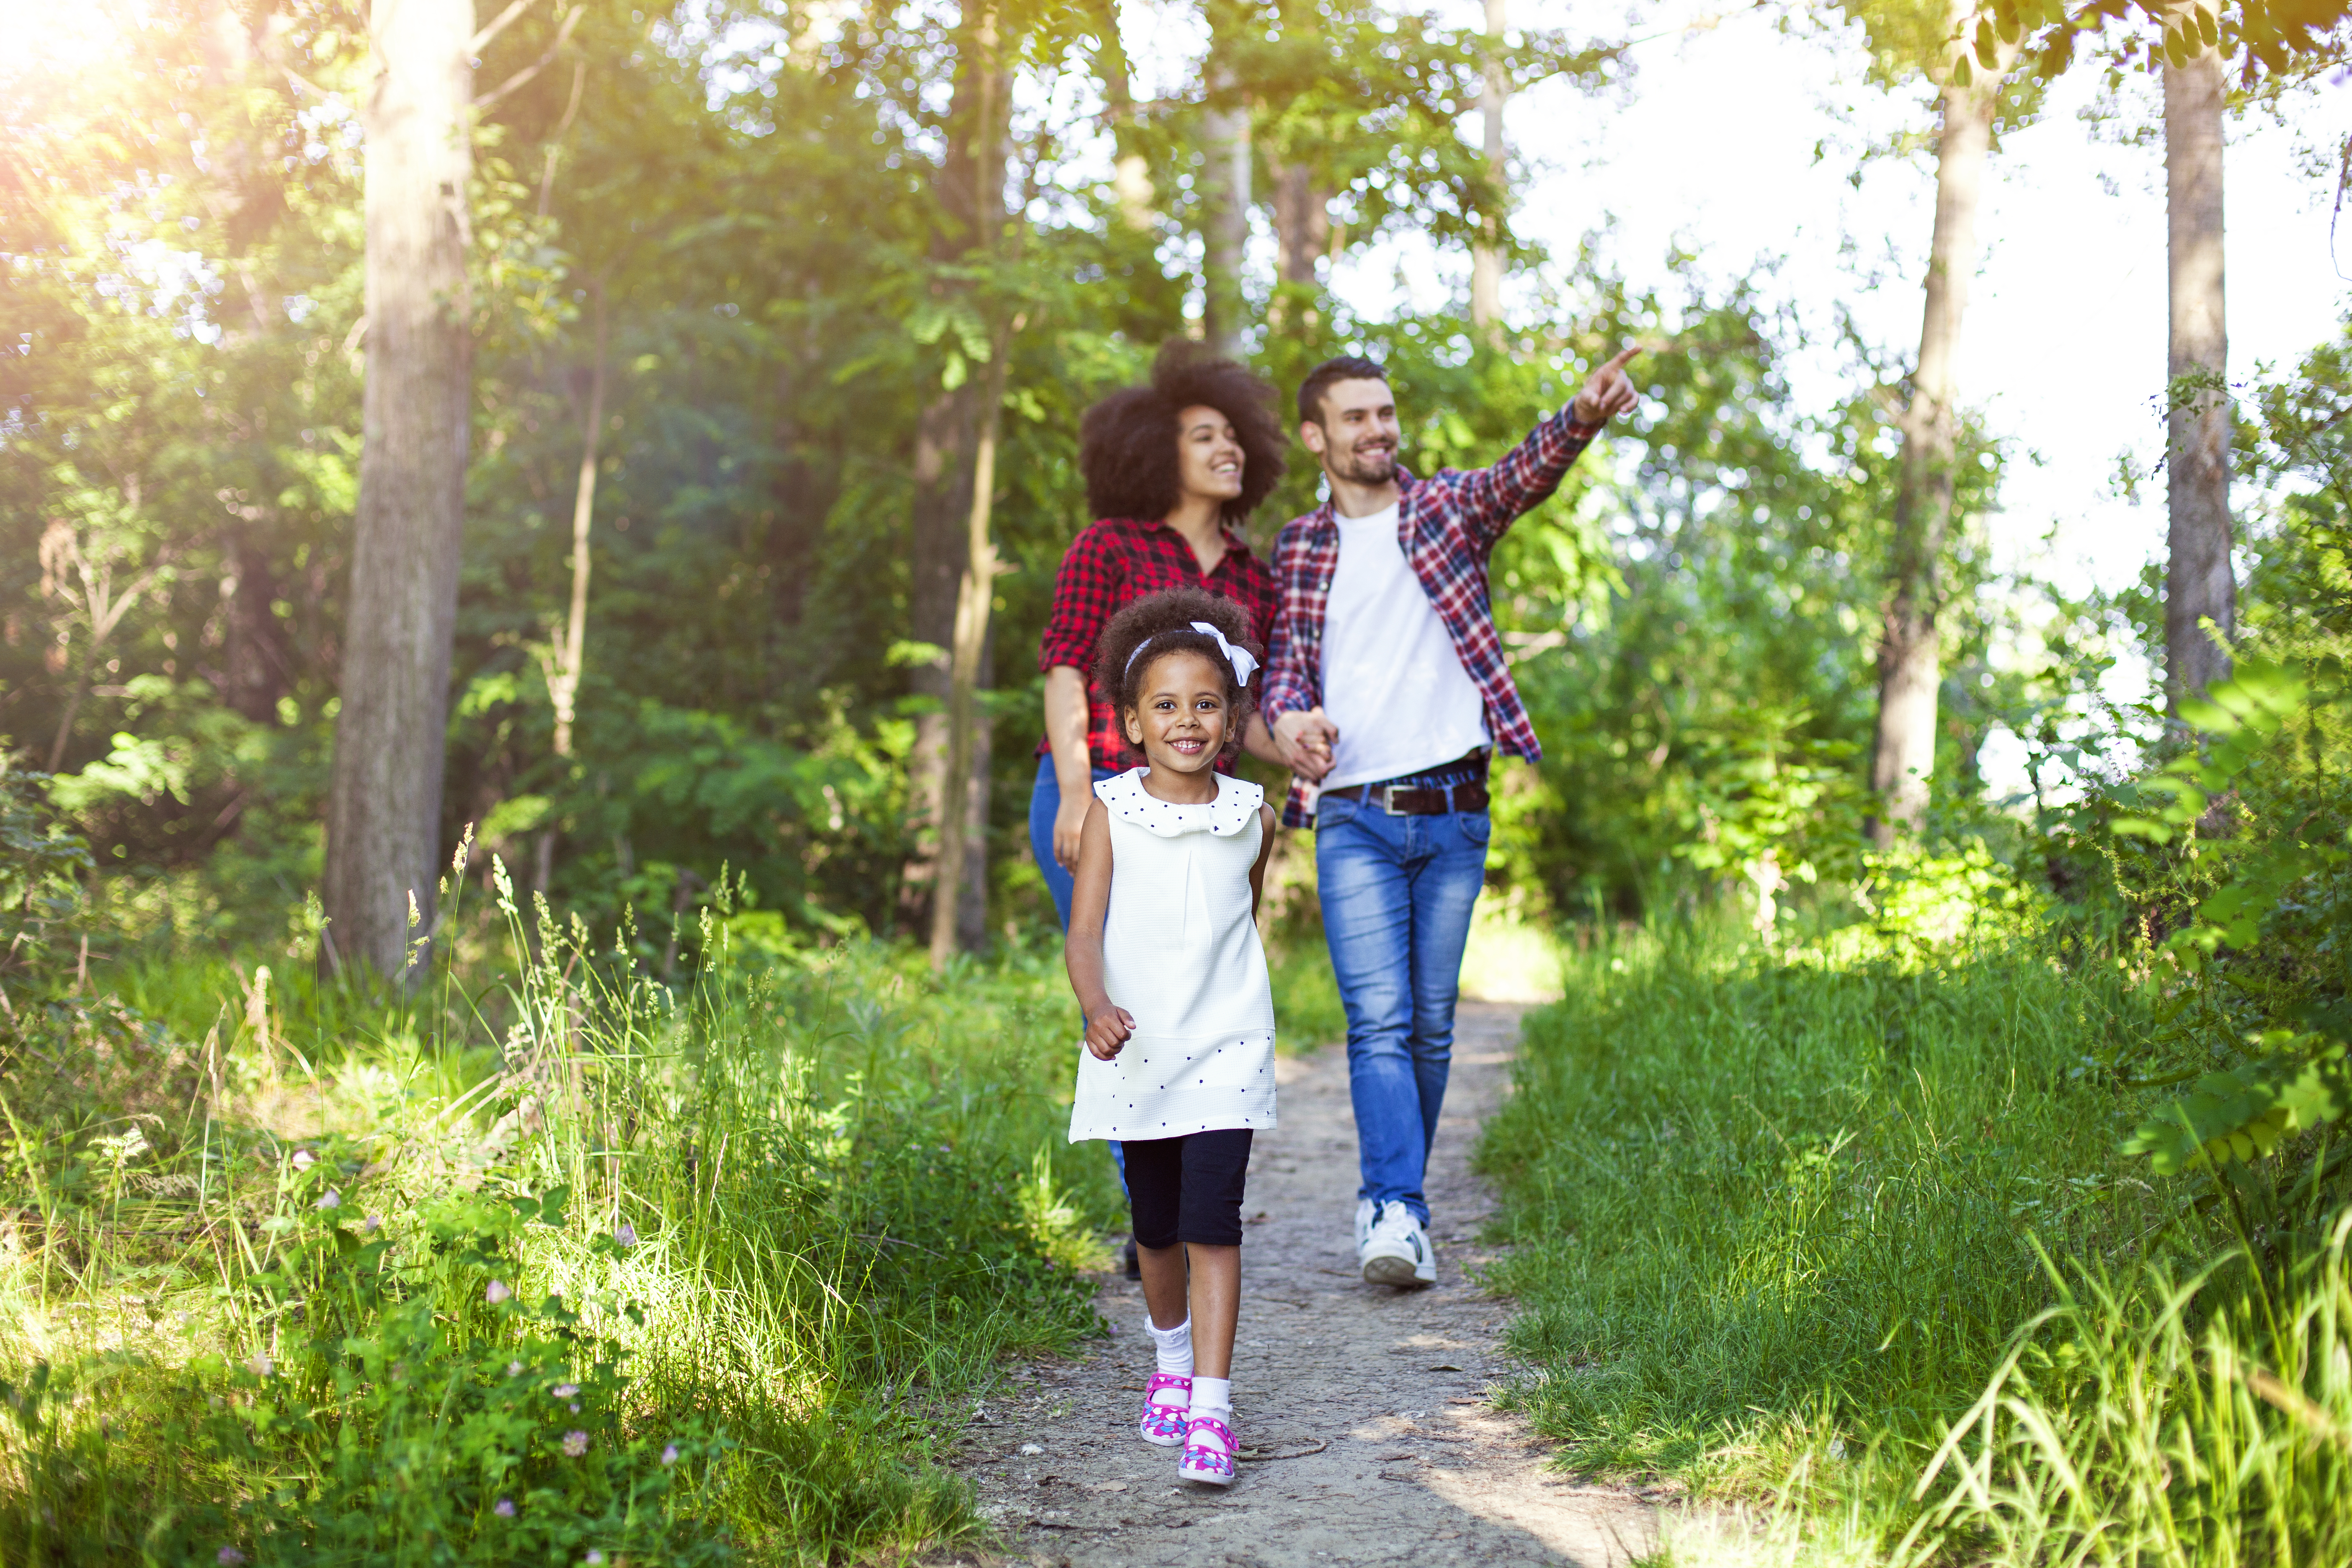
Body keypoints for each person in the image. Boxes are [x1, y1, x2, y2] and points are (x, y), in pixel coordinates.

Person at [1260, 348, 1640, 1288]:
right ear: (1317, 436)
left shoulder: (1444, 510)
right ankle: (1396, 1209)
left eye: (1386, 412)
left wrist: (1582, 414)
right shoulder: (1300, 547)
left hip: (1456, 810)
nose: (1377, 429)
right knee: (1379, 1023)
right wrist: (1289, 719)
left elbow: (1524, 473)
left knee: (1430, 1029)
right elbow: (1284, 669)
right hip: (1353, 815)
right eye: (1355, 417)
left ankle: (1394, 1202)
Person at [1033, 344, 1308, 1277]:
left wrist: (1292, 739)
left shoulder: (1252, 571)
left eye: (1235, 435)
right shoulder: (1107, 546)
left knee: (1188, 986)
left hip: (1203, 810)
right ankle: (1149, 1213)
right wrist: (1075, 789)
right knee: (1120, 991)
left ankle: (1175, 1209)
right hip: (1100, 799)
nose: (1227, 448)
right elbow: (1070, 663)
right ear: (1159, 449)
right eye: (1205, 436)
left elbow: (1243, 715)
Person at [1063, 588, 1279, 1488]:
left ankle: (1214, 1411)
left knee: (1211, 1223)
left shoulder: (1254, 814)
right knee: (1155, 1227)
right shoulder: (1112, 810)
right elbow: (1084, 932)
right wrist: (1096, 1007)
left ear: (1230, 718)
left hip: (1228, 1045)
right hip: (1137, 1048)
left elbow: (1245, 913)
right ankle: (1170, 1361)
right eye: (1165, 704)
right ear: (1132, 722)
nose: (1186, 720)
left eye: (1204, 703)